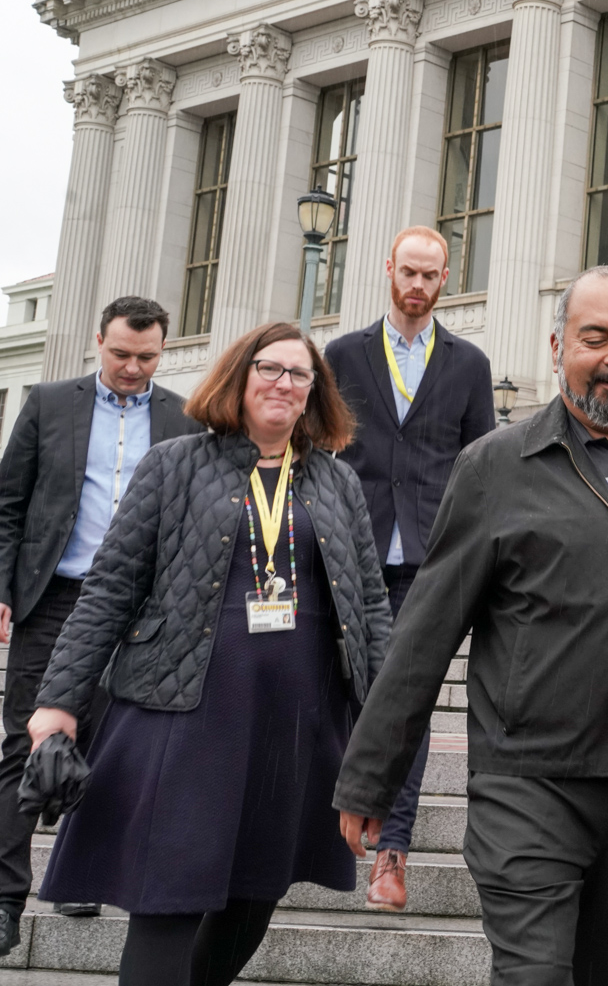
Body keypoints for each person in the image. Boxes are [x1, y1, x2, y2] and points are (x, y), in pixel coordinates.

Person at [334, 266, 608, 986]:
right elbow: (424, 632)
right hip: (526, 784)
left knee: (593, 969)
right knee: (534, 973)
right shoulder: (494, 468)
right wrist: (369, 775)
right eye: (594, 336)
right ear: (556, 346)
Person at [26, 322, 389, 986]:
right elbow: (109, 588)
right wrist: (58, 704)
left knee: (254, 897)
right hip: (186, 712)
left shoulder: (336, 482)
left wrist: (387, 727)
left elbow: (370, 606)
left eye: (299, 374)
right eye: (270, 369)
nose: (284, 383)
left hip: (296, 723)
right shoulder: (174, 463)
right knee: (168, 897)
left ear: (315, 391)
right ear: (239, 377)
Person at [0, 295, 203, 948]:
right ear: (98, 341)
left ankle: (80, 873)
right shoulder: (49, 404)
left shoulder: (185, 418)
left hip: (140, 610)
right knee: (25, 742)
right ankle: (4, 895)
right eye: (120, 353)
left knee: (109, 742)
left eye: (146, 357)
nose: (132, 367)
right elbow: (9, 504)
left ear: (161, 351)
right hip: (54, 596)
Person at [324, 225, 495, 911]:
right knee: (345, 692)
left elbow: (483, 463)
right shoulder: (343, 354)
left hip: (429, 560)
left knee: (409, 703)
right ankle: (332, 824)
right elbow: (321, 451)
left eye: (432, 275)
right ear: (387, 267)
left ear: (446, 280)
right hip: (350, 557)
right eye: (410, 272)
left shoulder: (468, 363)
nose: (418, 285)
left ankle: (392, 849)